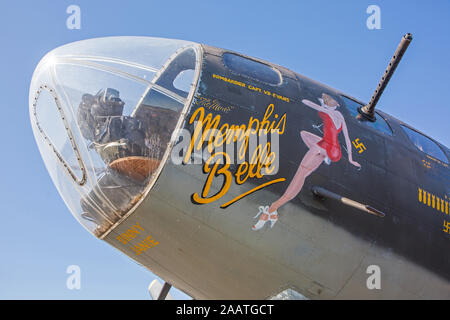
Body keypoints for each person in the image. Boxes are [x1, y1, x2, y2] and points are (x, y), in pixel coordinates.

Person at [252, 93, 361, 231]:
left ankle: (272, 208)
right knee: (304, 147)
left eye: (328, 99)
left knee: (300, 174)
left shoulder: (327, 111)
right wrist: (350, 159)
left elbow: (306, 101)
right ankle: (273, 211)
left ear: (336, 103)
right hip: (333, 149)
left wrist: (322, 106)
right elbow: (347, 140)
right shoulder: (341, 117)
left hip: (323, 147)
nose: (326, 100)